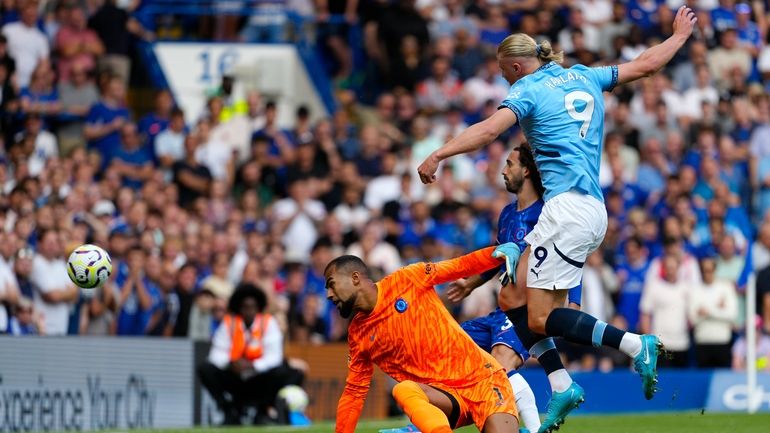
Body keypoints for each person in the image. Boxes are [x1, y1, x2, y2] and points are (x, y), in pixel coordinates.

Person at [417, 5, 698, 406]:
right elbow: (645, 65)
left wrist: (440, 154)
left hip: (568, 210)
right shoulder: (584, 74)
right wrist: (679, 37)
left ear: (515, 66)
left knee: (537, 316)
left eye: (502, 72)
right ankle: (563, 386)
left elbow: (488, 130)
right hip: (585, 210)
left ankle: (636, 345)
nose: (502, 78)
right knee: (512, 298)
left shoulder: (526, 90)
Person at [447, 144, 584, 433]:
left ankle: (533, 427)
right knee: (453, 347)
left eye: (509, 164)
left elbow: (569, 254)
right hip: (502, 308)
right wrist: (472, 283)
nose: (503, 170)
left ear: (526, 170)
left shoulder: (546, 212)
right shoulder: (507, 214)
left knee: (500, 362)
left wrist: (574, 300)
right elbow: (500, 257)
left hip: (529, 308)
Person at [326, 245, 522, 433]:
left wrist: (496, 253)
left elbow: (458, 266)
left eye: (331, 285)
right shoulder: (358, 334)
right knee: (404, 390)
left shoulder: (407, 279)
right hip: (443, 398)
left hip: (483, 380)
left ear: (355, 278)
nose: (328, 294)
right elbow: (354, 392)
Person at [198, 283, 304, 425]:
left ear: (258, 307)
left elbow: (274, 357)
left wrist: (253, 365)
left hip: (260, 379)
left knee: (291, 373)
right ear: (239, 308)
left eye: (252, 307)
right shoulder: (229, 323)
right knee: (205, 368)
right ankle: (228, 410)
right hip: (234, 377)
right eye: (245, 307)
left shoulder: (268, 323)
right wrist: (231, 363)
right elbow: (216, 354)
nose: (249, 311)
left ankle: (263, 411)